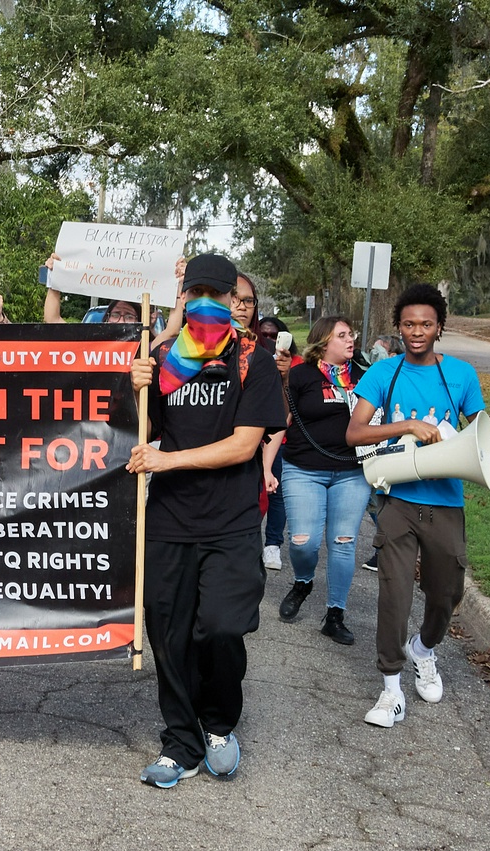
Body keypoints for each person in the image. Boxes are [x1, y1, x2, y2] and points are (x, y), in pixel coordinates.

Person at [127, 253, 286, 787]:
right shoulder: (165, 357)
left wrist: (167, 460)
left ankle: (218, 723)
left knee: (220, 627)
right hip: (169, 520)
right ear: (184, 299)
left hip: (232, 523)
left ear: (233, 302)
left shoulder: (253, 361)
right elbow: (139, 428)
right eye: (195, 295)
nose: (206, 305)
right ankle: (181, 744)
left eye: (217, 296)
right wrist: (136, 388)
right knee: (169, 636)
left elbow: (244, 446)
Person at [346, 284, 485, 729]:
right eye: (409, 324)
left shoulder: (462, 374)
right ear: (399, 327)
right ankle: (391, 689)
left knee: (446, 594)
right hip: (397, 501)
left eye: (426, 324)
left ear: (440, 327)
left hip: (446, 503)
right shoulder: (384, 373)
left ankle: (423, 649)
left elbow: (480, 435)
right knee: (395, 595)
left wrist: (450, 439)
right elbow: (354, 433)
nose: (417, 331)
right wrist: (404, 424)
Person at [276, 315, 371, 645]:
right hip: (303, 470)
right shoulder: (301, 375)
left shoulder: (363, 377)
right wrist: (264, 468)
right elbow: (280, 422)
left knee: (344, 544)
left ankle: (335, 614)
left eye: (351, 334)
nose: (350, 340)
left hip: (352, 473)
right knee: (304, 543)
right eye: (342, 335)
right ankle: (303, 581)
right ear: (323, 342)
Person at [258, 316, 293, 570]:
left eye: (275, 336)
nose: (270, 340)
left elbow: (288, 412)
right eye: (265, 335)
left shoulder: (292, 365)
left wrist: (285, 376)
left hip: (279, 441)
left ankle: (272, 545)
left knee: (276, 494)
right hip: (248, 437)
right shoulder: (250, 356)